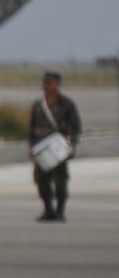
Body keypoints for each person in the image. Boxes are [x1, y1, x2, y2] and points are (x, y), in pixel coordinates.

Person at [30, 71, 83, 222]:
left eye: (50, 83)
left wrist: (71, 145)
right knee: (41, 182)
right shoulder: (38, 105)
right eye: (45, 83)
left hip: (59, 150)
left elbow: (76, 126)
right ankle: (48, 211)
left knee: (61, 182)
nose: (46, 86)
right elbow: (31, 128)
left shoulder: (67, 104)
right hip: (41, 149)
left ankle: (60, 212)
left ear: (58, 84)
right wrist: (31, 147)